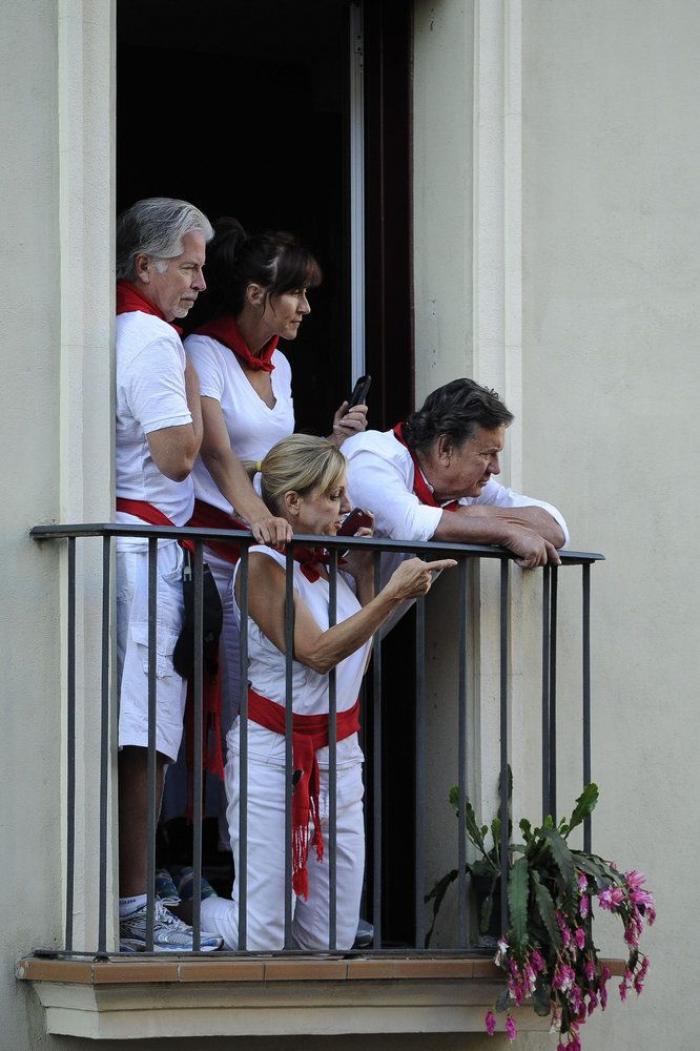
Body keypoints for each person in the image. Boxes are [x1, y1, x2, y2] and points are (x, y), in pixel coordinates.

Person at [198, 435, 456, 949]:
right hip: (273, 756)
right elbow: (317, 652)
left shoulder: (336, 570)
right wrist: (390, 594)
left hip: (340, 757)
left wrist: (364, 576)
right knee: (262, 935)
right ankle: (191, 906)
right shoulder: (262, 566)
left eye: (344, 494)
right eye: (333, 495)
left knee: (330, 938)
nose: (346, 507)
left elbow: (356, 656)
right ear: (292, 502)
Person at [183, 219, 368, 730]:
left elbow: (277, 461)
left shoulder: (280, 365)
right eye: (296, 294)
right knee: (207, 691)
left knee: (257, 687)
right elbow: (219, 455)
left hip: (265, 547)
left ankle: (250, 807)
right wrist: (262, 521)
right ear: (256, 294)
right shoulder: (203, 352)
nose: (306, 307)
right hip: (217, 548)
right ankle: (197, 811)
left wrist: (330, 444)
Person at [115, 196, 224, 951]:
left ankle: (135, 893)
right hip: (147, 553)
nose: (198, 283)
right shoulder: (155, 341)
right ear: (144, 265)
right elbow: (176, 457)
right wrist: (190, 385)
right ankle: (133, 906)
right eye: (188, 267)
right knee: (148, 732)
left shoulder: (122, 328)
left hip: (138, 548)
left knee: (144, 725)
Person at [342, 378, 568, 568]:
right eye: (487, 454)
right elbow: (409, 524)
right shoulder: (371, 453)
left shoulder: (468, 488)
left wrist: (478, 515)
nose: (495, 468)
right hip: (322, 618)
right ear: (445, 448)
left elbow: (555, 528)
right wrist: (505, 531)